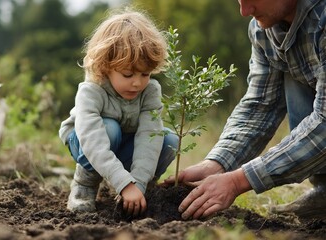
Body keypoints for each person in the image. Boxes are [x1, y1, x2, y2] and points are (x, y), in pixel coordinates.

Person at [163, 0, 326, 220]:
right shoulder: (263, 30)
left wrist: (238, 180)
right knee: (292, 69)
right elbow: (260, 105)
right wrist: (218, 163)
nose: (244, 11)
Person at [59, 9, 179, 217]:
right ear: (106, 67)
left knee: (168, 139)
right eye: (127, 74)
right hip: (86, 143)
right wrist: (124, 183)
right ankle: (84, 185)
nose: (137, 82)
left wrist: (137, 184)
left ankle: (139, 190)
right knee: (109, 129)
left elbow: (148, 139)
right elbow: (93, 141)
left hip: (125, 143)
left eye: (145, 74)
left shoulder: (150, 92)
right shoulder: (92, 91)